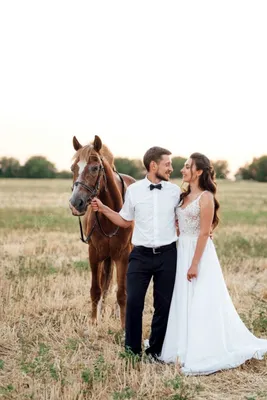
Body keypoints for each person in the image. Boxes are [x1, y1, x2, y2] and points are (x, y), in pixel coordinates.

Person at [160, 152, 267, 375]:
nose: (183, 169)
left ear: (199, 171)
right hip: (181, 249)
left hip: (198, 253)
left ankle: (203, 348)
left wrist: (194, 263)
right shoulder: (183, 197)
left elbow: (205, 232)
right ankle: (181, 344)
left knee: (201, 299)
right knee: (182, 298)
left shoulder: (206, 197)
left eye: (188, 166)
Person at [91, 146, 180, 360]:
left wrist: (206, 232)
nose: (171, 168)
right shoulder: (134, 191)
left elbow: (188, 215)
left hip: (168, 256)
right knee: (133, 303)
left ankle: (156, 351)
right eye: (167, 164)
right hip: (140, 255)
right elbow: (125, 219)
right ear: (153, 165)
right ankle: (132, 351)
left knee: (163, 305)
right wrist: (103, 209)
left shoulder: (175, 192)